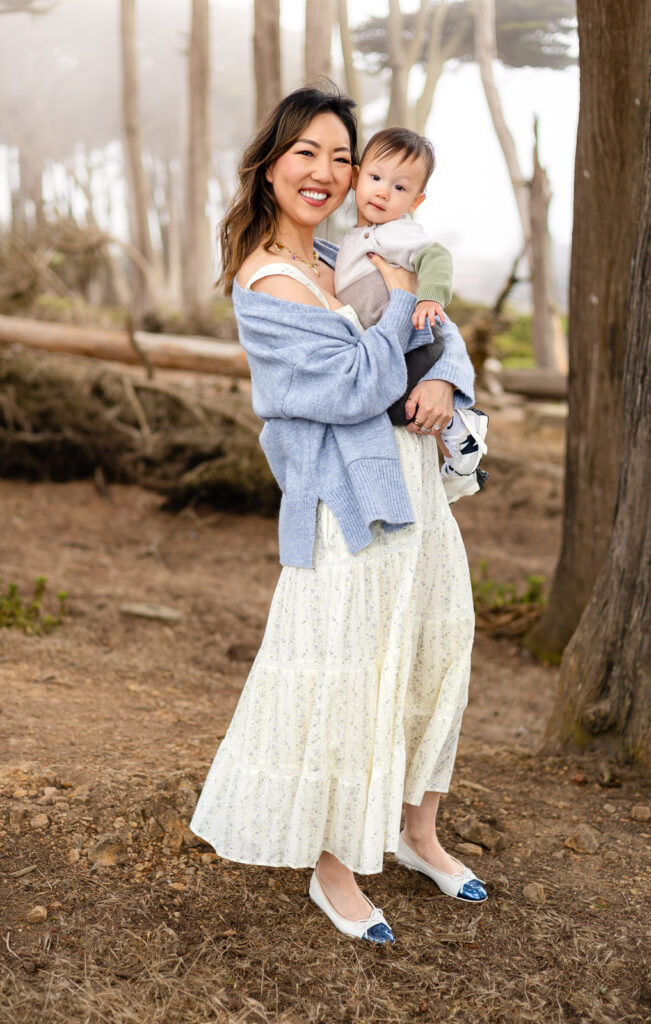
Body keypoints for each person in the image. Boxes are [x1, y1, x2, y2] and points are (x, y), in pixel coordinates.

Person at [189, 84, 487, 946]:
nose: (325, 172)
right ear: (272, 167)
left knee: (440, 642)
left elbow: (436, 334)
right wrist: (401, 313)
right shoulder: (269, 282)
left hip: (414, 486)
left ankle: (416, 829)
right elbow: (355, 384)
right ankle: (333, 868)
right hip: (346, 506)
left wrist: (442, 377)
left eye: (340, 156)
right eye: (305, 153)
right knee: (350, 677)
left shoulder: (350, 257)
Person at [334, 126, 488, 503]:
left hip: (415, 338)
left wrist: (429, 298)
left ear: (416, 201)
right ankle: (461, 432)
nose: (384, 192)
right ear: (356, 178)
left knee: (395, 408)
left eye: (400, 188)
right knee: (395, 407)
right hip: (395, 341)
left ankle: (459, 427)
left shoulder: (393, 232)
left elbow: (435, 256)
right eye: (375, 178)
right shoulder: (354, 238)